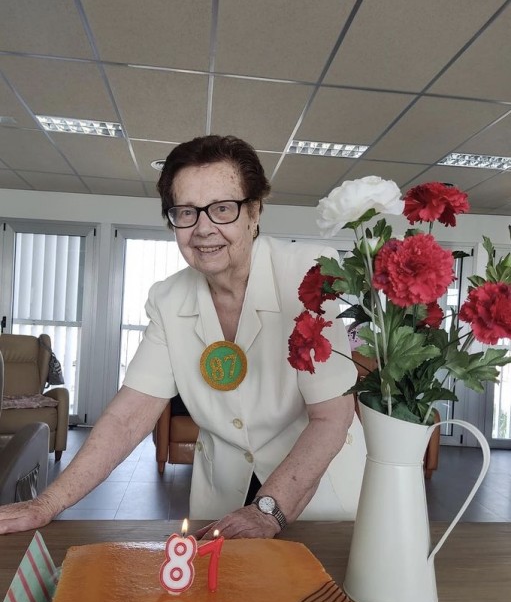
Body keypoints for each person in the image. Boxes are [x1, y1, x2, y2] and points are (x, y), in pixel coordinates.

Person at [0, 135, 365, 539]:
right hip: (223, 494)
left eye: (222, 208)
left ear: (254, 211)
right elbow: (127, 417)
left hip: (314, 491)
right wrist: (47, 503)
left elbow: (332, 417)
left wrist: (267, 511)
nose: (203, 229)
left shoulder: (307, 277)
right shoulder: (168, 298)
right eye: (187, 212)